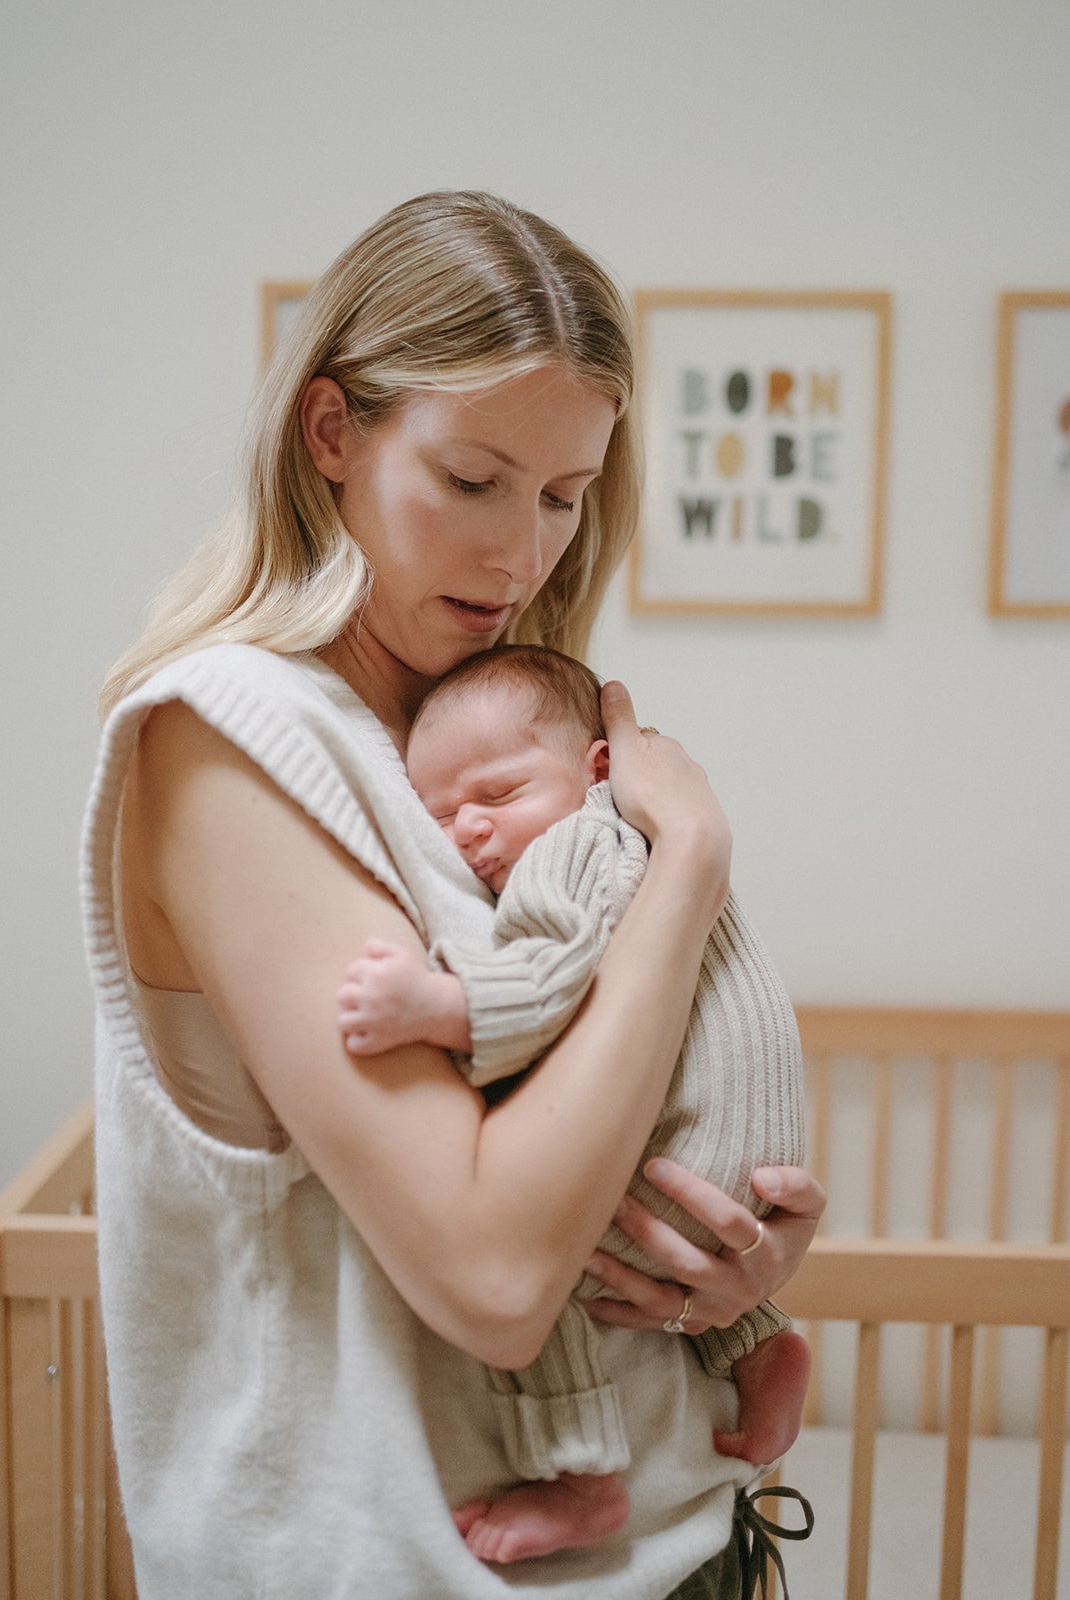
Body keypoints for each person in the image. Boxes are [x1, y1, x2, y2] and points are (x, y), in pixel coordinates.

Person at [82, 189, 824, 1600]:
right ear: (333, 436)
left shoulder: (467, 735)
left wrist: (729, 1241)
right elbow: (491, 1276)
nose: (522, 553)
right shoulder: (233, 736)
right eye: (474, 481)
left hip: (681, 1543)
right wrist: (692, 868)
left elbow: (597, 1073)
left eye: (564, 494)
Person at [336, 642, 811, 1565]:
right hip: (746, 1163)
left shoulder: (575, 846)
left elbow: (550, 973)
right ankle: (757, 1349)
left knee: (529, 1263)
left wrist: (440, 1005)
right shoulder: (648, 838)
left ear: (598, 768)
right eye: (441, 815)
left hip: (677, 1161)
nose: (470, 830)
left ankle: (583, 1472)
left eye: (500, 795)